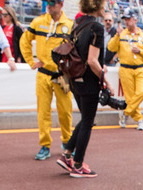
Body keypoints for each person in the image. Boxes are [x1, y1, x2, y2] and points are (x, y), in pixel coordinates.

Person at [55, 0, 105, 178]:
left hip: (74, 78)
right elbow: (92, 60)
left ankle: (67, 154)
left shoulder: (78, 24)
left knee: (85, 120)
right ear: (99, 6)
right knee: (88, 121)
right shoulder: (96, 28)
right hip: (89, 81)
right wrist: (105, 80)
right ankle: (77, 164)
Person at [20, 0, 74, 161]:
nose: (48, 6)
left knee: (65, 111)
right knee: (43, 111)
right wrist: (31, 61)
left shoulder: (70, 25)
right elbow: (24, 41)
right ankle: (45, 145)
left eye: (52, 3)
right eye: (47, 2)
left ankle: (67, 142)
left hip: (62, 76)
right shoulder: (38, 22)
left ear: (61, 4)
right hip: (43, 74)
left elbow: (77, 50)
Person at [107, 7, 143, 130]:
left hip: (139, 68)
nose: (127, 22)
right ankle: (139, 120)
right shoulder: (121, 34)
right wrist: (117, 35)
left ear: (135, 19)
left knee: (141, 92)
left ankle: (125, 113)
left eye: (129, 19)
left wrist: (140, 51)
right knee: (130, 96)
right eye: (125, 19)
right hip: (125, 69)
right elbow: (111, 48)